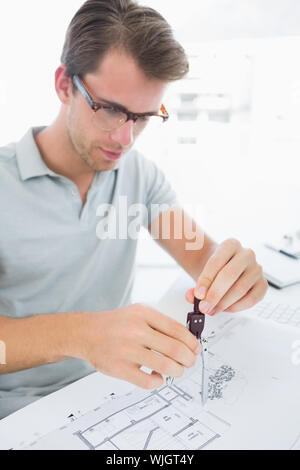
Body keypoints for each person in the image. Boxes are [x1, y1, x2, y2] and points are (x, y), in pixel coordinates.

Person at [0, 0, 268, 419]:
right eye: (109, 110)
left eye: (142, 117)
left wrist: (233, 275)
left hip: (111, 399)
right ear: (64, 85)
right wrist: (82, 335)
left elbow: (202, 255)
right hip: (16, 417)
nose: (125, 139)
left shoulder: (140, 177)